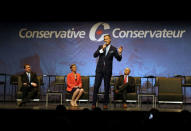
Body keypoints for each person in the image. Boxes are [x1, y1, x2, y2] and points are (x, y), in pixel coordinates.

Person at [92, 34, 123, 109]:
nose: (105, 40)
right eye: (104, 39)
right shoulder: (101, 47)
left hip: (107, 71)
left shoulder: (113, 49)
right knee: (96, 86)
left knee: (106, 87)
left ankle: (105, 103)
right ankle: (93, 103)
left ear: (110, 39)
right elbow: (95, 55)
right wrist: (102, 49)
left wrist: (119, 53)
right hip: (99, 70)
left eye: (107, 39)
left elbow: (119, 59)